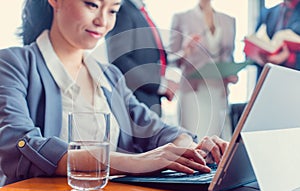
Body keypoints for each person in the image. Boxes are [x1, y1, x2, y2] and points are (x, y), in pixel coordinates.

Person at [0, 0, 228, 186]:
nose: (103, 21)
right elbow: (20, 146)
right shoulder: (13, 64)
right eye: (91, 5)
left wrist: (189, 149)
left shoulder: (109, 75)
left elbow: (153, 128)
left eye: (113, 10)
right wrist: (135, 163)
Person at [169, 0, 238, 140]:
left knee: (218, 142)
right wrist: (186, 51)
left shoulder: (229, 20)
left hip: (219, 91)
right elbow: (170, 58)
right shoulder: (182, 18)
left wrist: (233, 74)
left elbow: (229, 57)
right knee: (194, 141)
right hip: (193, 92)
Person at [105, 0, 179, 117]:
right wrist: (161, 84)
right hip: (136, 103)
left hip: (149, 102)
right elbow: (119, 60)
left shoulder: (140, 11)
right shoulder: (123, 10)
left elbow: (153, 56)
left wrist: (184, 53)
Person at [254, 0, 300, 80]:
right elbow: (253, 45)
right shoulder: (266, 13)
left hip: (293, 80)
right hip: (268, 80)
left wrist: (290, 58)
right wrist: (258, 57)